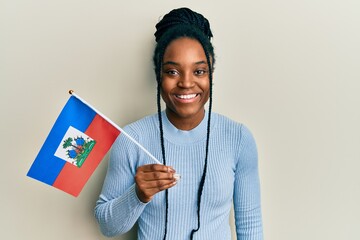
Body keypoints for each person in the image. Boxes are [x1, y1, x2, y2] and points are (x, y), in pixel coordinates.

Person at [94, 7, 263, 240]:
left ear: (210, 74)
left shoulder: (238, 138)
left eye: (199, 71)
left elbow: (250, 226)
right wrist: (137, 195)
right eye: (172, 71)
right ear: (158, 76)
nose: (186, 83)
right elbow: (107, 226)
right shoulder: (132, 138)